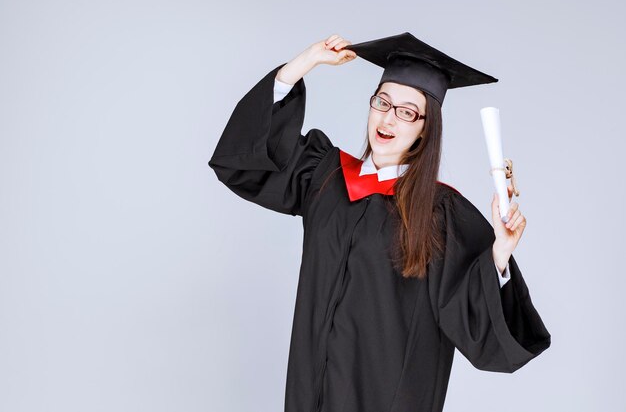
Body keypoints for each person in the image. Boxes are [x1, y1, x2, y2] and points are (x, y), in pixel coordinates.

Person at [209, 32, 550, 412]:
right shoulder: (324, 176)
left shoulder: (441, 213)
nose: (388, 118)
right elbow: (244, 161)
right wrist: (302, 64)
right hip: (310, 395)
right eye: (382, 102)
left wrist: (499, 255)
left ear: (426, 128)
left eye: (407, 111)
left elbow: (473, 318)